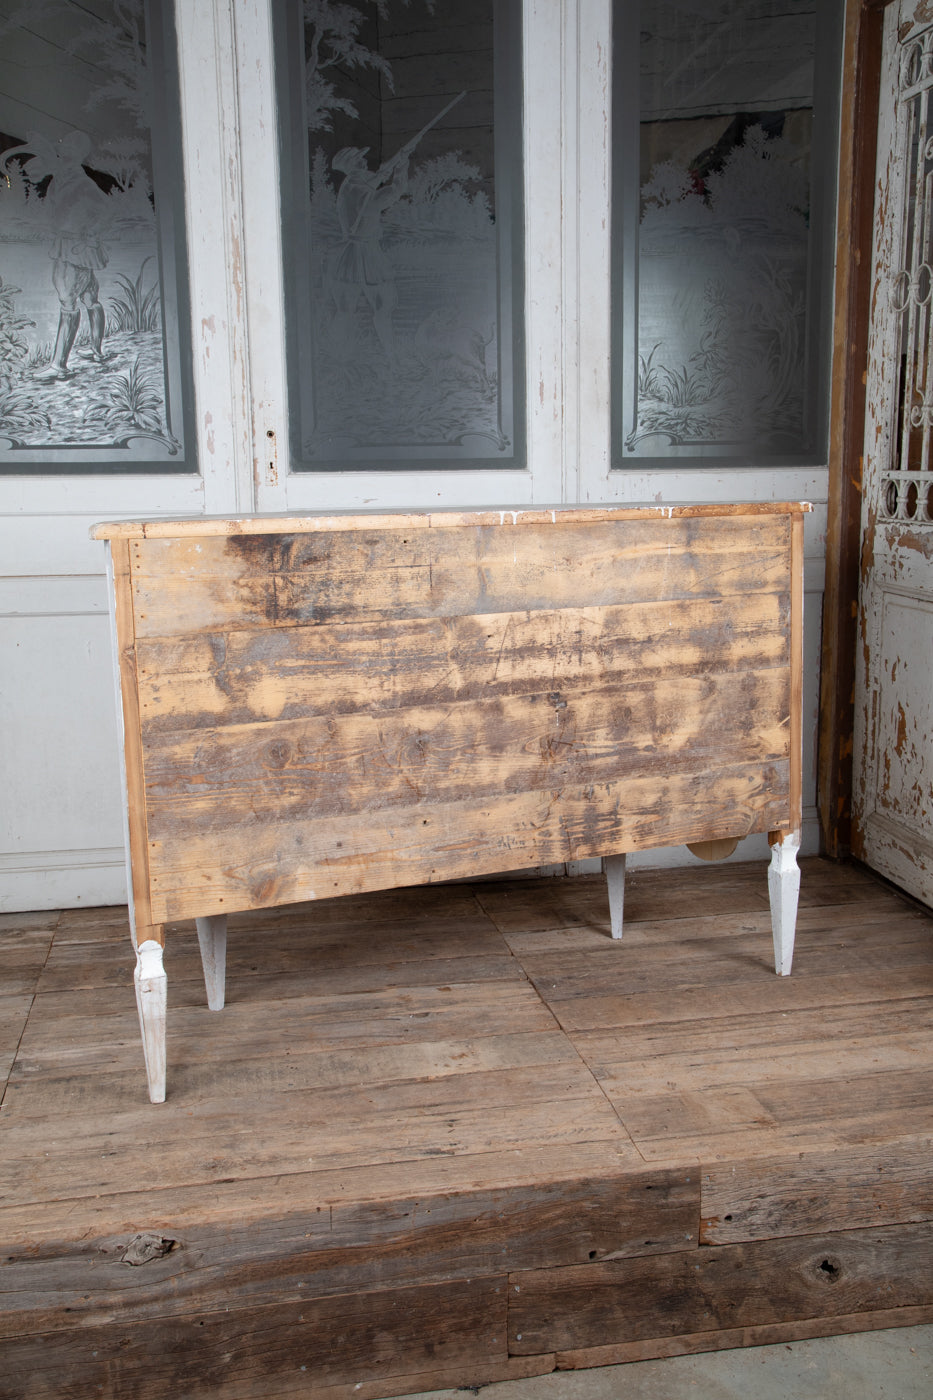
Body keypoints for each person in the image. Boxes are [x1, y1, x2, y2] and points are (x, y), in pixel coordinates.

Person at [2, 130, 110, 380]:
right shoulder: (61, 178)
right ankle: (96, 351)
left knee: (69, 302)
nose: (62, 148)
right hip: (67, 244)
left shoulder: (82, 183)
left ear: (77, 152)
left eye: (68, 145)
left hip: (75, 248)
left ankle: (59, 365)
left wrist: (90, 234)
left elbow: (106, 210)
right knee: (90, 297)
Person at [326, 144, 410, 358]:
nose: (365, 162)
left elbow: (373, 188)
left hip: (351, 254)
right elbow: (391, 193)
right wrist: (400, 168)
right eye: (359, 160)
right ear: (353, 166)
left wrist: (391, 168)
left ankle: (337, 356)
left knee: (350, 309)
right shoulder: (359, 190)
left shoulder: (351, 187)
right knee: (382, 307)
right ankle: (390, 356)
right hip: (365, 252)